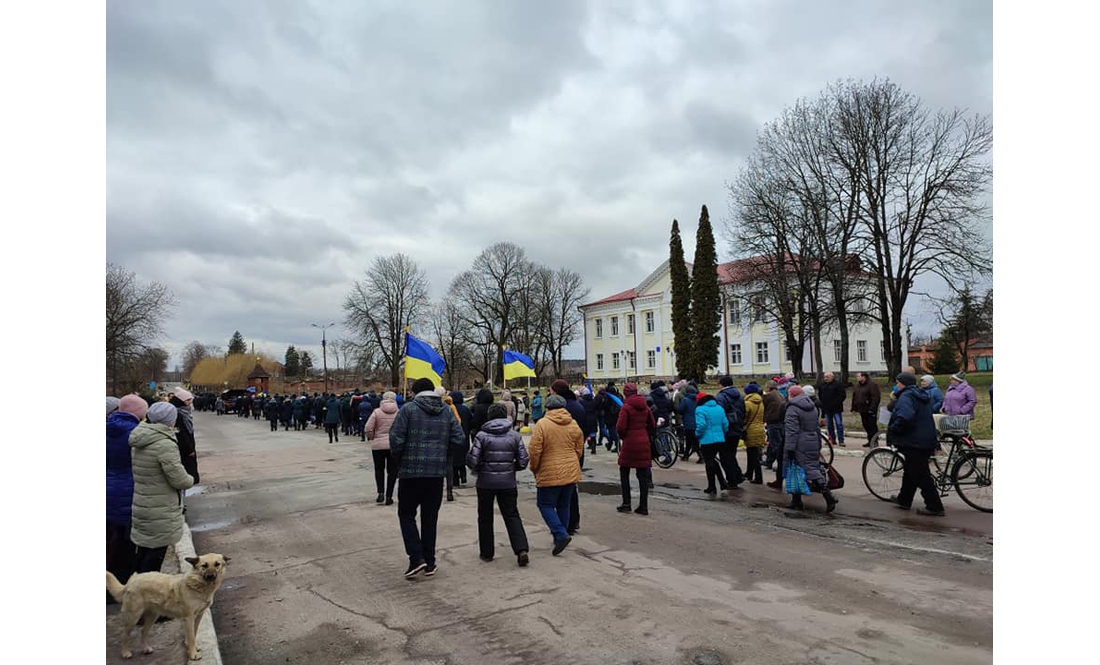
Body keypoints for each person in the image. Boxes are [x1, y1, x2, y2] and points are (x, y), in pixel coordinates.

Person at [390, 377, 466, 578]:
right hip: (436, 473)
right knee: (429, 518)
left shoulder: (408, 410)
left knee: (406, 515)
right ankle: (430, 561)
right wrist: (442, 454)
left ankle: (416, 558)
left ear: (414, 392)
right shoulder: (447, 411)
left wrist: (401, 460)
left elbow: (395, 439)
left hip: (411, 472)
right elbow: (459, 438)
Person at [129, 401, 196, 575]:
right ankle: (146, 595)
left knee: (144, 550)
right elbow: (178, 478)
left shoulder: (140, 438)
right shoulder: (164, 443)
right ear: (170, 421)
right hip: (161, 506)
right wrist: (190, 479)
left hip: (143, 501)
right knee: (155, 554)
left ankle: (138, 585)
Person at [466, 403, 530, 566]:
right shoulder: (514, 436)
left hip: (485, 483)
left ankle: (487, 553)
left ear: (489, 416)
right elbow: (523, 461)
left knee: (485, 517)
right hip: (508, 482)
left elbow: (473, 460)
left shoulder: (481, 436)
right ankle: (521, 549)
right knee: (512, 515)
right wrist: (511, 468)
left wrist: (481, 467)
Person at [527, 394, 584, 555]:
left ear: (548, 408)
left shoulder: (542, 424)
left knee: (544, 504)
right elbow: (579, 447)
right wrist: (572, 461)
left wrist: (535, 467)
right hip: (570, 470)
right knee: (563, 505)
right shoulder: (573, 423)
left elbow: (534, 450)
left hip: (549, 470)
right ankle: (560, 534)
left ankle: (560, 534)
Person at [106, 395, 149, 601]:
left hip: (108, 487)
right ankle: (120, 587)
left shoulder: (106, 428)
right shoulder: (134, 433)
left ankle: (108, 582)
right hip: (128, 489)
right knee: (125, 543)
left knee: (110, 540)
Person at [887, 372, 944, 516]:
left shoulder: (906, 396)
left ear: (904, 384)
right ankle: (904, 500)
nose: (896, 385)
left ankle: (935, 506)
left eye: (898, 383)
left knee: (921, 474)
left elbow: (905, 416)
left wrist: (895, 429)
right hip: (924, 438)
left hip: (914, 441)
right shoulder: (919, 394)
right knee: (910, 470)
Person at [783, 386, 837, 513]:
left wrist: (790, 448)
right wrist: (818, 443)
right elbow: (817, 427)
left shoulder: (792, 409)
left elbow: (792, 431)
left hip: (799, 443)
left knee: (795, 470)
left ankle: (824, 497)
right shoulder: (812, 407)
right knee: (812, 468)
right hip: (812, 441)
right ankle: (800, 500)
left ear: (791, 395)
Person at [551, 379, 588, 532]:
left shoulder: (561, 409)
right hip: (577, 452)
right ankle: (574, 520)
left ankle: (565, 523)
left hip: (562, 452)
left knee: (562, 491)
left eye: (552, 390)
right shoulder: (578, 406)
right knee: (571, 487)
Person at [614, 382, 656, 515]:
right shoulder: (645, 406)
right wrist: (644, 433)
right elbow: (652, 424)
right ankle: (643, 506)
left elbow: (620, 427)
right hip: (643, 441)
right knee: (642, 475)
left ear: (625, 393)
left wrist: (623, 436)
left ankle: (626, 503)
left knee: (624, 472)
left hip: (629, 442)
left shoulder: (626, 407)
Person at [364, 391, 400, 505]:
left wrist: (372, 437)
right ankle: (389, 496)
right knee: (392, 471)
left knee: (379, 469)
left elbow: (368, 428)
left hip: (378, 445)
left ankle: (380, 493)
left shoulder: (377, 412)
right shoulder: (399, 413)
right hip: (393, 445)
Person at [694, 391, 730, 497]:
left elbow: (701, 425)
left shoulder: (700, 409)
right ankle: (721, 482)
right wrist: (722, 433)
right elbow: (725, 424)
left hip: (707, 440)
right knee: (713, 461)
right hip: (720, 439)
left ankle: (712, 486)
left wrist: (697, 435)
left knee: (709, 463)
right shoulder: (719, 408)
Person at [714, 376, 746, 487]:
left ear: (721, 384)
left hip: (726, 430)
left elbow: (719, 413)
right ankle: (737, 475)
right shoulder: (740, 396)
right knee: (731, 454)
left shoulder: (721, 397)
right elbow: (743, 411)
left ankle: (732, 480)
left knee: (725, 456)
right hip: (737, 428)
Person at [169, 388, 199, 488]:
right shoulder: (178, 414)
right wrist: (189, 449)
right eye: (188, 400)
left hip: (187, 445)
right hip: (184, 448)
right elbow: (181, 433)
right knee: (187, 466)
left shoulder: (183, 412)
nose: (190, 403)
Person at [763, 380, 787, 489]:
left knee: (776, 445)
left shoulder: (768, 396)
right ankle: (769, 461)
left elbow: (763, 405)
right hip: (780, 422)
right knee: (776, 444)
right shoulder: (780, 394)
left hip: (773, 422)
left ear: (768, 387)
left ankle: (778, 464)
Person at [742, 382, 766, 484]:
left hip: (750, 430)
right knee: (753, 453)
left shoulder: (747, 403)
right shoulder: (761, 402)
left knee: (753, 455)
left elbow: (745, 417)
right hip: (760, 429)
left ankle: (758, 477)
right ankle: (749, 473)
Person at [851, 372, 883, 447]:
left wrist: (872, 409)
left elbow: (875, 398)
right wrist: (854, 407)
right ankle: (870, 440)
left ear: (864, 377)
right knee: (866, 425)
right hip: (862, 410)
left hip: (870, 410)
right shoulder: (858, 386)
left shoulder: (872, 385)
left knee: (872, 426)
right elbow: (855, 396)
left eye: (858, 376)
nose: (857, 378)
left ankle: (874, 441)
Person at [817, 372, 847, 447]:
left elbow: (842, 396)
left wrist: (835, 403)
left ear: (832, 377)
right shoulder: (822, 385)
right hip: (827, 409)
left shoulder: (838, 384)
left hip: (836, 408)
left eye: (827, 377)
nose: (826, 378)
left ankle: (841, 440)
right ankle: (831, 439)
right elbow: (820, 396)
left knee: (839, 424)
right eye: (825, 377)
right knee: (829, 425)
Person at [450, 390, 473, 488]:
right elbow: (471, 421)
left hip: (452, 437)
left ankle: (455, 480)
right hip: (464, 435)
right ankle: (463, 476)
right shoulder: (466, 409)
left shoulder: (449, 409)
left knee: (453, 459)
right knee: (463, 457)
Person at [676, 382, 701, 462]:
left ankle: (701, 456)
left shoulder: (685, 400)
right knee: (690, 440)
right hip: (697, 422)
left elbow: (680, 410)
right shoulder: (698, 400)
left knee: (693, 440)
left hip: (688, 423)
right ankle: (686, 455)